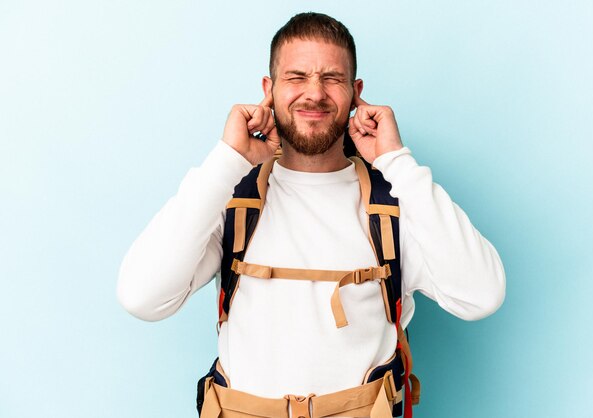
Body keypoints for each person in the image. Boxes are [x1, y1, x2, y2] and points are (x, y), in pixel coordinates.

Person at [117, 12, 506, 418]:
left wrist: (397, 161)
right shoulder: (232, 196)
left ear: (356, 93)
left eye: (332, 79)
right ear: (269, 89)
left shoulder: (394, 202)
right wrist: (227, 160)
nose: (314, 94)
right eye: (296, 77)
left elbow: (481, 295)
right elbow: (142, 297)